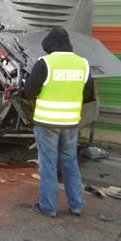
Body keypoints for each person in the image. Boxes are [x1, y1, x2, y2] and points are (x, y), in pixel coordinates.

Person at [23, 27, 95, 217]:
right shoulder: (83, 63)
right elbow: (88, 94)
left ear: (50, 45)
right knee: (70, 163)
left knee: (48, 165)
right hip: (71, 123)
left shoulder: (45, 63)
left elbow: (29, 92)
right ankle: (77, 204)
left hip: (47, 123)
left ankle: (48, 207)